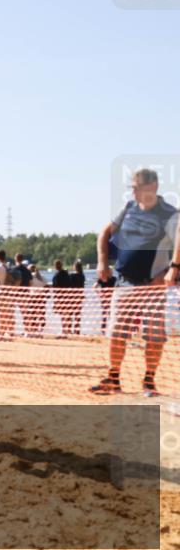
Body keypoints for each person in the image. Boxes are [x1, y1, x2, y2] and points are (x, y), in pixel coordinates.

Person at [91, 168, 178, 396]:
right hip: (124, 283)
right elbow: (104, 232)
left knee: (154, 336)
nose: (133, 192)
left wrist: (172, 270)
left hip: (153, 285)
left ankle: (149, 381)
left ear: (152, 187)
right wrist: (102, 261)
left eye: (136, 188)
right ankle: (113, 379)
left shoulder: (169, 214)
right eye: (132, 187)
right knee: (116, 332)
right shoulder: (129, 208)